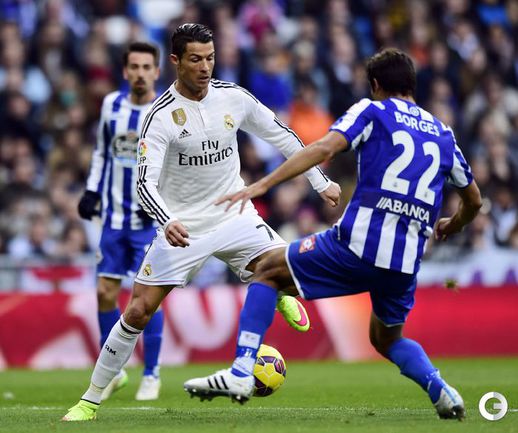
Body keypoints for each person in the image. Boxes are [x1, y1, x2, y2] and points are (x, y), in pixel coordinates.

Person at [184, 48, 482, 420]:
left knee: (267, 270)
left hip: (358, 244)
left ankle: (242, 371)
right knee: (387, 339)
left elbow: (325, 147)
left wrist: (263, 184)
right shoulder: (444, 134)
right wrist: (453, 224)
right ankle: (441, 390)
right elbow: (474, 200)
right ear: (413, 85)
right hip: (405, 261)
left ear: (375, 84)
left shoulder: (373, 111)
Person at [62, 23, 340, 421]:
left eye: (210, 58)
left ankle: (276, 290)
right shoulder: (160, 117)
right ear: (176, 61)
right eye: (195, 59)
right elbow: (144, 183)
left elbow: (281, 135)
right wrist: (166, 220)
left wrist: (320, 181)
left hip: (235, 215)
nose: (205, 67)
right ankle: (88, 402)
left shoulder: (233, 97)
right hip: (183, 228)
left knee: (292, 272)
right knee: (138, 311)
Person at [76, 42, 164, 401]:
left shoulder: (163, 110)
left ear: (157, 72)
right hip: (113, 219)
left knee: (148, 298)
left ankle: (152, 373)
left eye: (147, 67)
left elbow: (172, 164)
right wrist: (91, 190)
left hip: (148, 223)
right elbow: (102, 151)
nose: (140, 73)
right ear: (125, 71)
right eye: (134, 67)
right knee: (104, 293)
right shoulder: (111, 104)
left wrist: (156, 202)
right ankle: (113, 371)